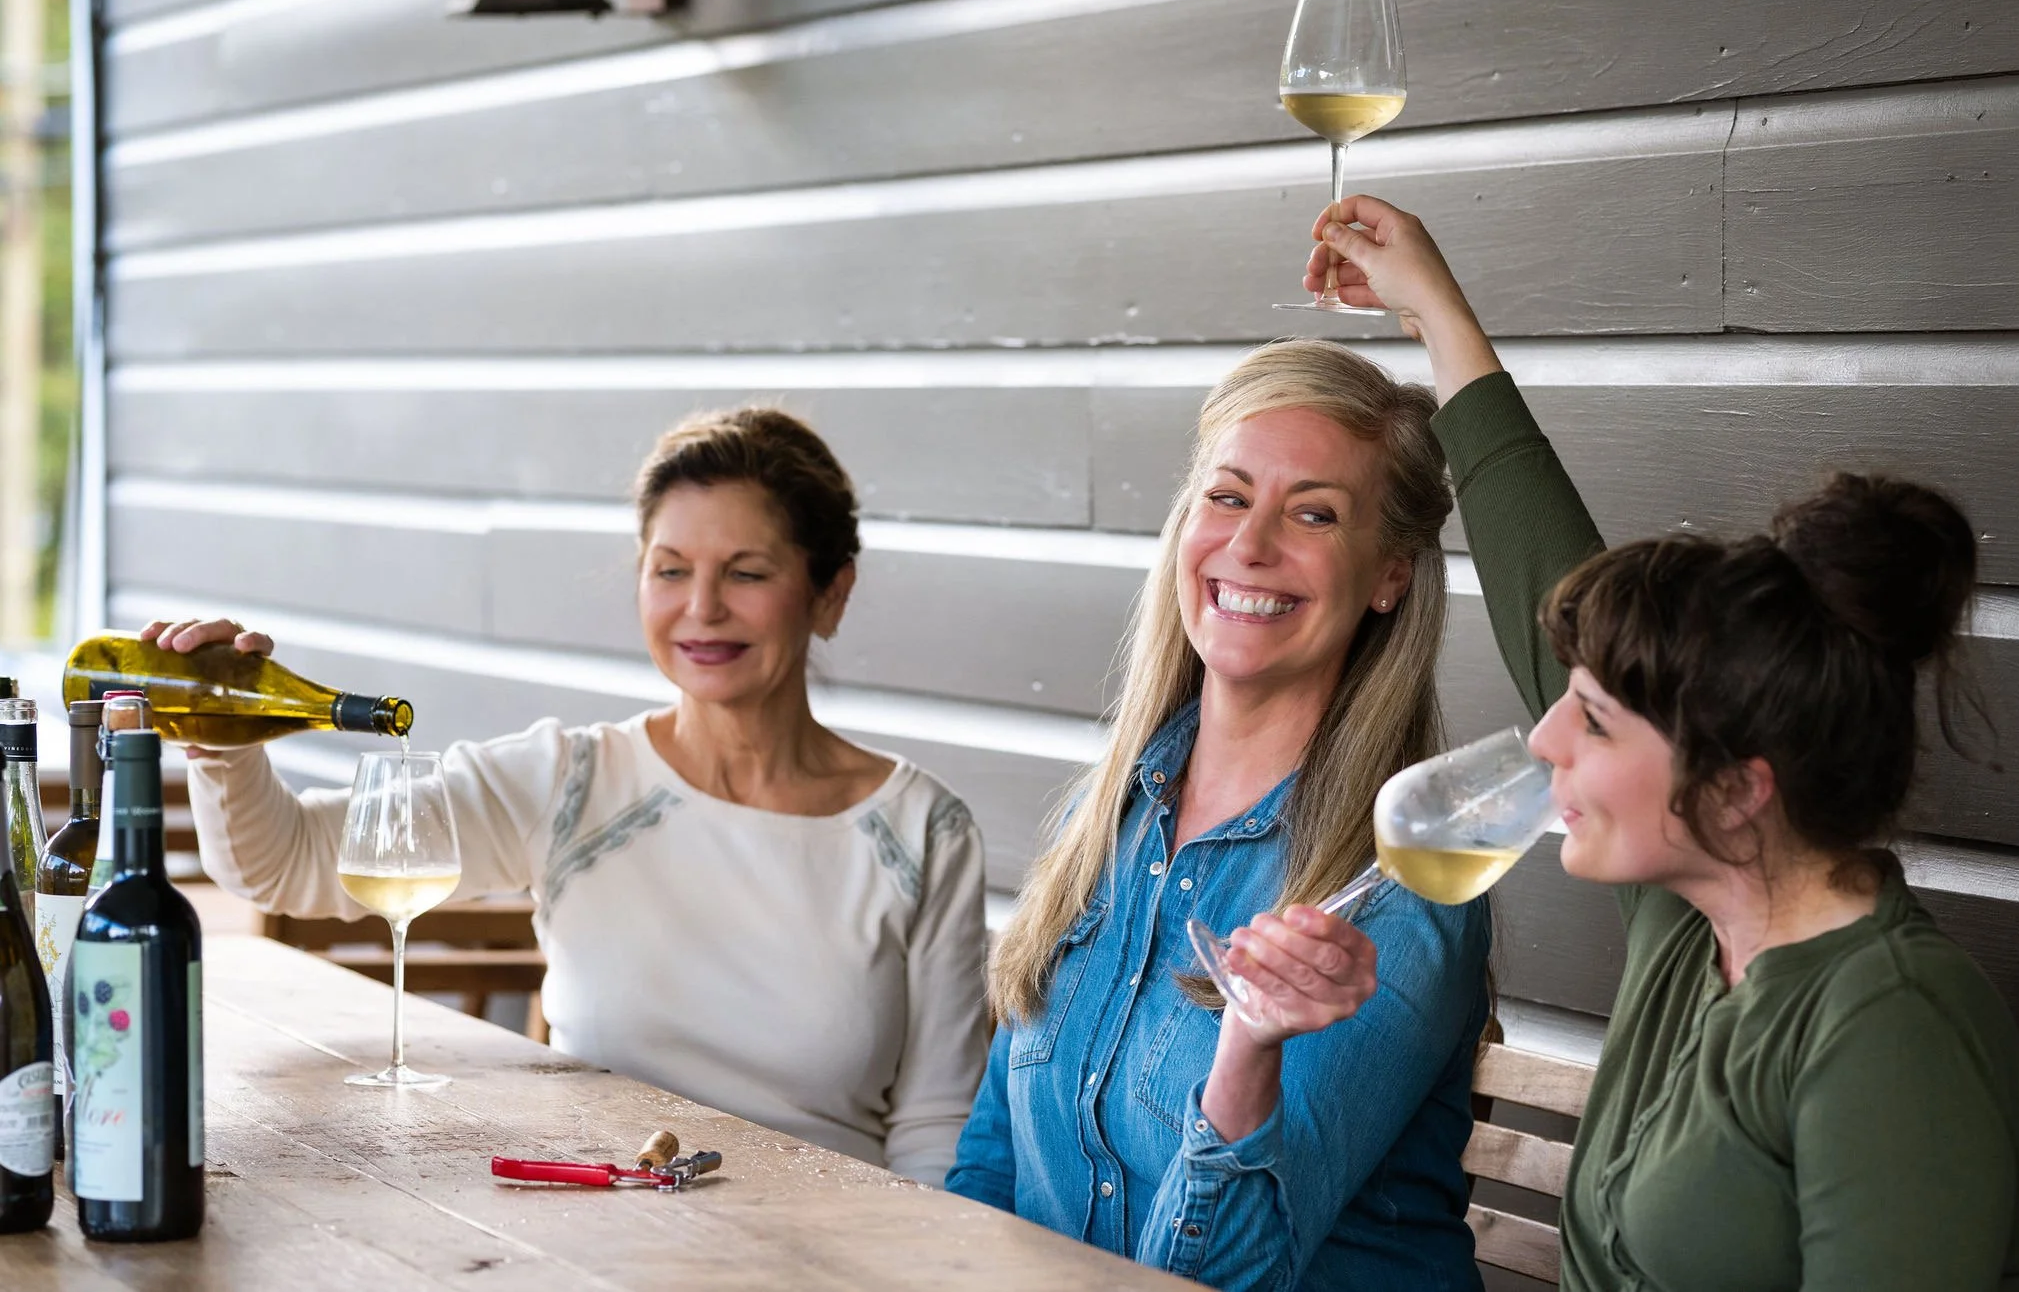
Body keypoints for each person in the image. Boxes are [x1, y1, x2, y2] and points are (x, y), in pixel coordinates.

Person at [1252, 196, 2019, 1289]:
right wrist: (1435, 310)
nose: (1543, 736)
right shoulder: (1697, 924)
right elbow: (1547, 568)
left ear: (1735, 791)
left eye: (1593, 718)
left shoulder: (1887, 1028)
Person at [154, 407, 991, 1186]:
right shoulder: (569, 780)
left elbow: (935, 1129)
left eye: (746, 572)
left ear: (830, 591)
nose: (701, 608)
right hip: (606, 1236)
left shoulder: (921, 828)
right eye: (670, 570)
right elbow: (286, 863)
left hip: (835, 1250)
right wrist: (224, 749)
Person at [946, 260, 1503, 1283]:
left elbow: (1230, 1274)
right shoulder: (1102, 816)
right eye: (1228, 496)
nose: (1248, 545)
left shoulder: (1394, 885)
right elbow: (995, 1165)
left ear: (1388, 574)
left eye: (1314, 514)